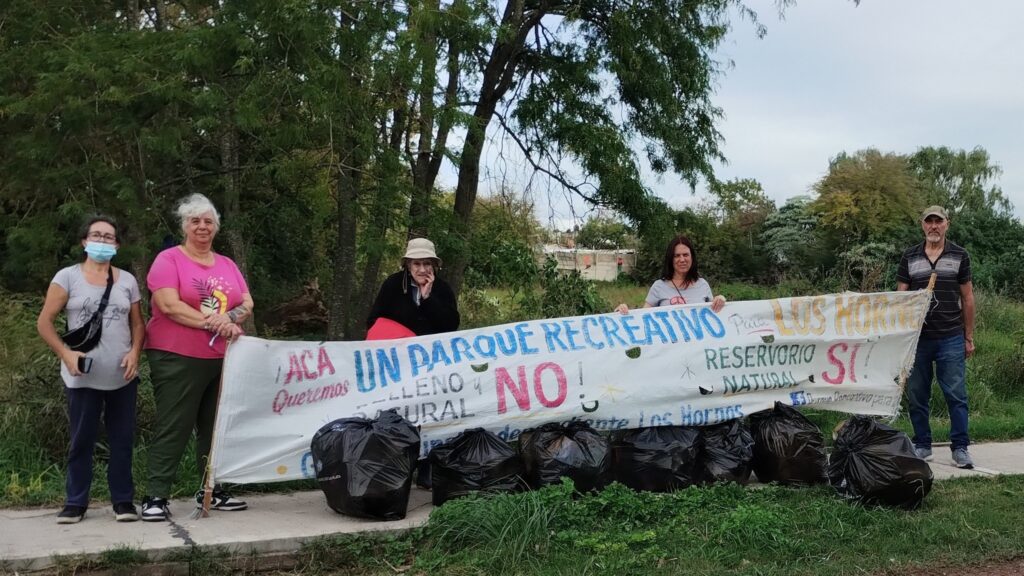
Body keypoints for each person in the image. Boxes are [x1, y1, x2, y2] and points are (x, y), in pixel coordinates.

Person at [140, 193, 253, 521]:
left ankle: (211, 490)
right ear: (185, 225)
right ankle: (156, 495)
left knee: (215, 426)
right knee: (175, 423)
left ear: (215, 227)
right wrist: (215, 320)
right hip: (177, 355)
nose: (202, 226)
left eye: (208, 221)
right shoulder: (169, 260)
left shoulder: (227, 264)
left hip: (223, 356)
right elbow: (169, 305)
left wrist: (229, 319)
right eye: (195, 221)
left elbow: (246, 303)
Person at [37, 216, 145, 524]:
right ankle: (75, 502)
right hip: (82, 376)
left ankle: (123, 501)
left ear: (117, 245)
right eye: (96, 235)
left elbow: (138, 324)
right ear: (84, 241)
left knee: (122, 440)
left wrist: (136, 352)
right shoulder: (67, 277)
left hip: (122, 376)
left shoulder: (126, 280)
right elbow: (44, 322)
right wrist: (66, 354)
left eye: (108, 237)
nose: (102, 240)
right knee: (82, 439)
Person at [897, 205, 975, 469]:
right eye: (929, 221)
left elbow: (967, 297)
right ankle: (922, 444)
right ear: (923, 225)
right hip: (918, 339)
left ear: (946, 224)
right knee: (918, 394)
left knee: (956, 394)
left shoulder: (960, 255)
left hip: (950, 336)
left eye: (938, 221)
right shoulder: (909, 257)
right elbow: (901, 299)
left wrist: (968, 336)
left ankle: (960, 447)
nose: (933, 226)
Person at [366, 237, 460, 337]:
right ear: (408, 265)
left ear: (433, 265)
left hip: (431, 350)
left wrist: (428, 299)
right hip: (398, 349)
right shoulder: (393, 284)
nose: (422, 270)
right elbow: (374, 321)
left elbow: (451, 326)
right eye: (417, 264)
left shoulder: (443, 288)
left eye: (427, 263)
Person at [616, 235, 726, 314]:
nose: (682, 259)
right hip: (670, 347)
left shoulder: (703, 284)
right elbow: (643, 317)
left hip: (698, 347)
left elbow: (716, 314)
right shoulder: (659, 286)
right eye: (677, 255)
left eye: (685, 255)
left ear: (692, 257)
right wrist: (624, 313)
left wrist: (721, 299)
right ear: (670, 259)